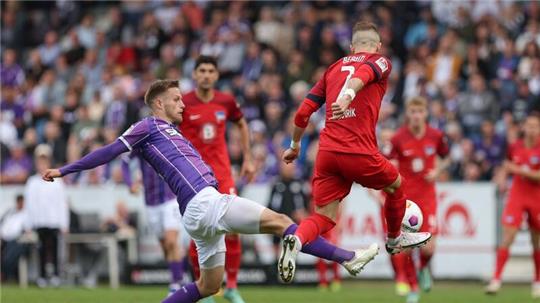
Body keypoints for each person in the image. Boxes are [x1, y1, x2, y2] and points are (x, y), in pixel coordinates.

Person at [42, 79, 379, 303]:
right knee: (281, 221)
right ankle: (347, 258)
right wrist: (65, 170)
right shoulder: (146, 126)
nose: (182, 104)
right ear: (157, 102)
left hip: (199, 211)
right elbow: (109, 151)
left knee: (209, 286)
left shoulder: (171, 131)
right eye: (176, 99)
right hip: (205, 203)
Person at [280, 21, 431, 283]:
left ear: (351, 47)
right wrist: (349, 93)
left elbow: (303, 111)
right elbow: (367, 72)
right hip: (356, 151)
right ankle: (395, 239)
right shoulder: (381, 62)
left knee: (324, 218)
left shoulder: (332, 69)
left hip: (326, 153)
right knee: (396, 184)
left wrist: (294, 146)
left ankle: (297, 238)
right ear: (378, 46)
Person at [180, 55, 255, 303]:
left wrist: (247, 158)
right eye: (201, 70)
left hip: (222, 174)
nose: (206, 75)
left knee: (233, 229)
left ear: (216, 75)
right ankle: (204, 289)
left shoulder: (226, 101)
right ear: (194, 74)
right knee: (198, 233)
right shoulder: (183, 102)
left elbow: (242, 124)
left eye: (211, 70)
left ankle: (231, 287)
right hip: (194, 178)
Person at [386, 96, 450, 303]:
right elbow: (389, 162)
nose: (416, 116)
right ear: (408, 114)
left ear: (425, 114)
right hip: (406, 200)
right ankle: (413, 288)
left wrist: (438, 170)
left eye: (420, 112)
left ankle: (423, 267)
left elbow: (447, 156)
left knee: (429, 246)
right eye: (412, 112)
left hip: (428, 196)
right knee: (406, 246)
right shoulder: (398, 138)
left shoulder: (436, 135)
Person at [486, 113, 540, 298]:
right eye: (529, 126)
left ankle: (537, 281)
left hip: (536, 197)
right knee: (508, 235)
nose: (532, 130)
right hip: (517, 194)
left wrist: (517, 170)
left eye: (535, 126)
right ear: (524, 127)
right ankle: (496, 279)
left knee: (536, 241)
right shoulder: (514, 146)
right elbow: (506, 165)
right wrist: (501, 179)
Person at [122, 153, 187, 294]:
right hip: (151, 204)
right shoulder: (140, 143)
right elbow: (125, 162)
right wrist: (130, 184)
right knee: (165, 248)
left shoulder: (167, 140)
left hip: (170, 200)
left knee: (171, 242)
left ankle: (176, 285)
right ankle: (179, 277)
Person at [24, 144, 69, 288]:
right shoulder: (32, 182)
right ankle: (42, 276)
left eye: (45, 161)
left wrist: (64, 224)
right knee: (41, 250)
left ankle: (55, 275)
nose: (42, 164)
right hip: (39, 222)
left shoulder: (58, 182)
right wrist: (28, 225)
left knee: (55, 249)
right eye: (39, 161)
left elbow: (62, 204)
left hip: (54, 221)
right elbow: (29, 205)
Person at [0, 194, 31, 280]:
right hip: (4, 239)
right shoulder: (10, 212)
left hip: (16, 241)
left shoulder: (26, 214)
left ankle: (6, 275)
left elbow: (28, 231)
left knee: (9, 255)